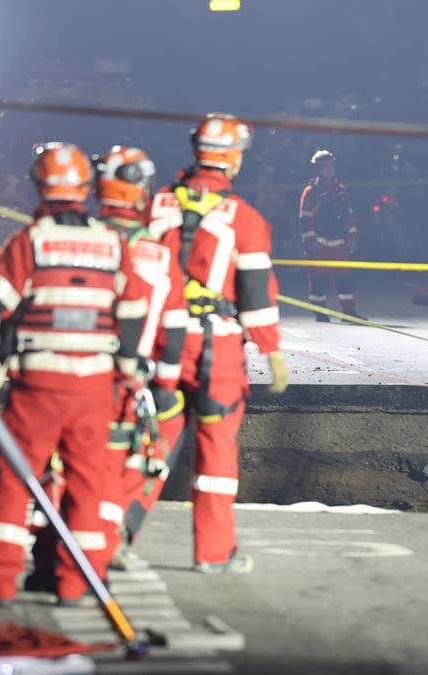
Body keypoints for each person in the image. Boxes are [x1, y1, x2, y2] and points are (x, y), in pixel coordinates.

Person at [0, 142, 149, 605]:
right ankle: (75, 582)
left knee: (16, 479)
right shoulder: (113, 245)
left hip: (39, 388)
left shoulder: (33, 241)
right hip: (95, 388)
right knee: (88, 482)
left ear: (38, 185)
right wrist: (127, 374)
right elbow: (132, 313)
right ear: (85, 189)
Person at [147, 113, 291, 574]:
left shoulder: (155, 206)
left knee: (147, 446)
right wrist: (272, 350)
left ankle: (103, 543)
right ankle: (213, 554)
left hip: (159, 348)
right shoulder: (245, 219)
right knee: (215, 453)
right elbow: (255, 296)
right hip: (217, 354)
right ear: (232, 158)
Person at [93, 146, 188, 568]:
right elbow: (174, 326)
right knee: (151, 445)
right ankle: (115, 534)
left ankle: (47, 531)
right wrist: (166, 388)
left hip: (66, 375)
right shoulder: (160, 255)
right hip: (129, 382)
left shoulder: (80, 240)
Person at [299, 149, 362, 321]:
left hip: (339, 243)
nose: (329, 168)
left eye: (331, 165)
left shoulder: (341, 190)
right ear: (317, 168)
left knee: (345, 279)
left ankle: (348, 313)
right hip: (319, 243)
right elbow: (306, 219)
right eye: (324, 166)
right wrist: (310, 241)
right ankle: (320, 312)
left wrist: (352, 237)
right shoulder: (310, 192)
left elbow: (349, 215)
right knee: (317, 279)